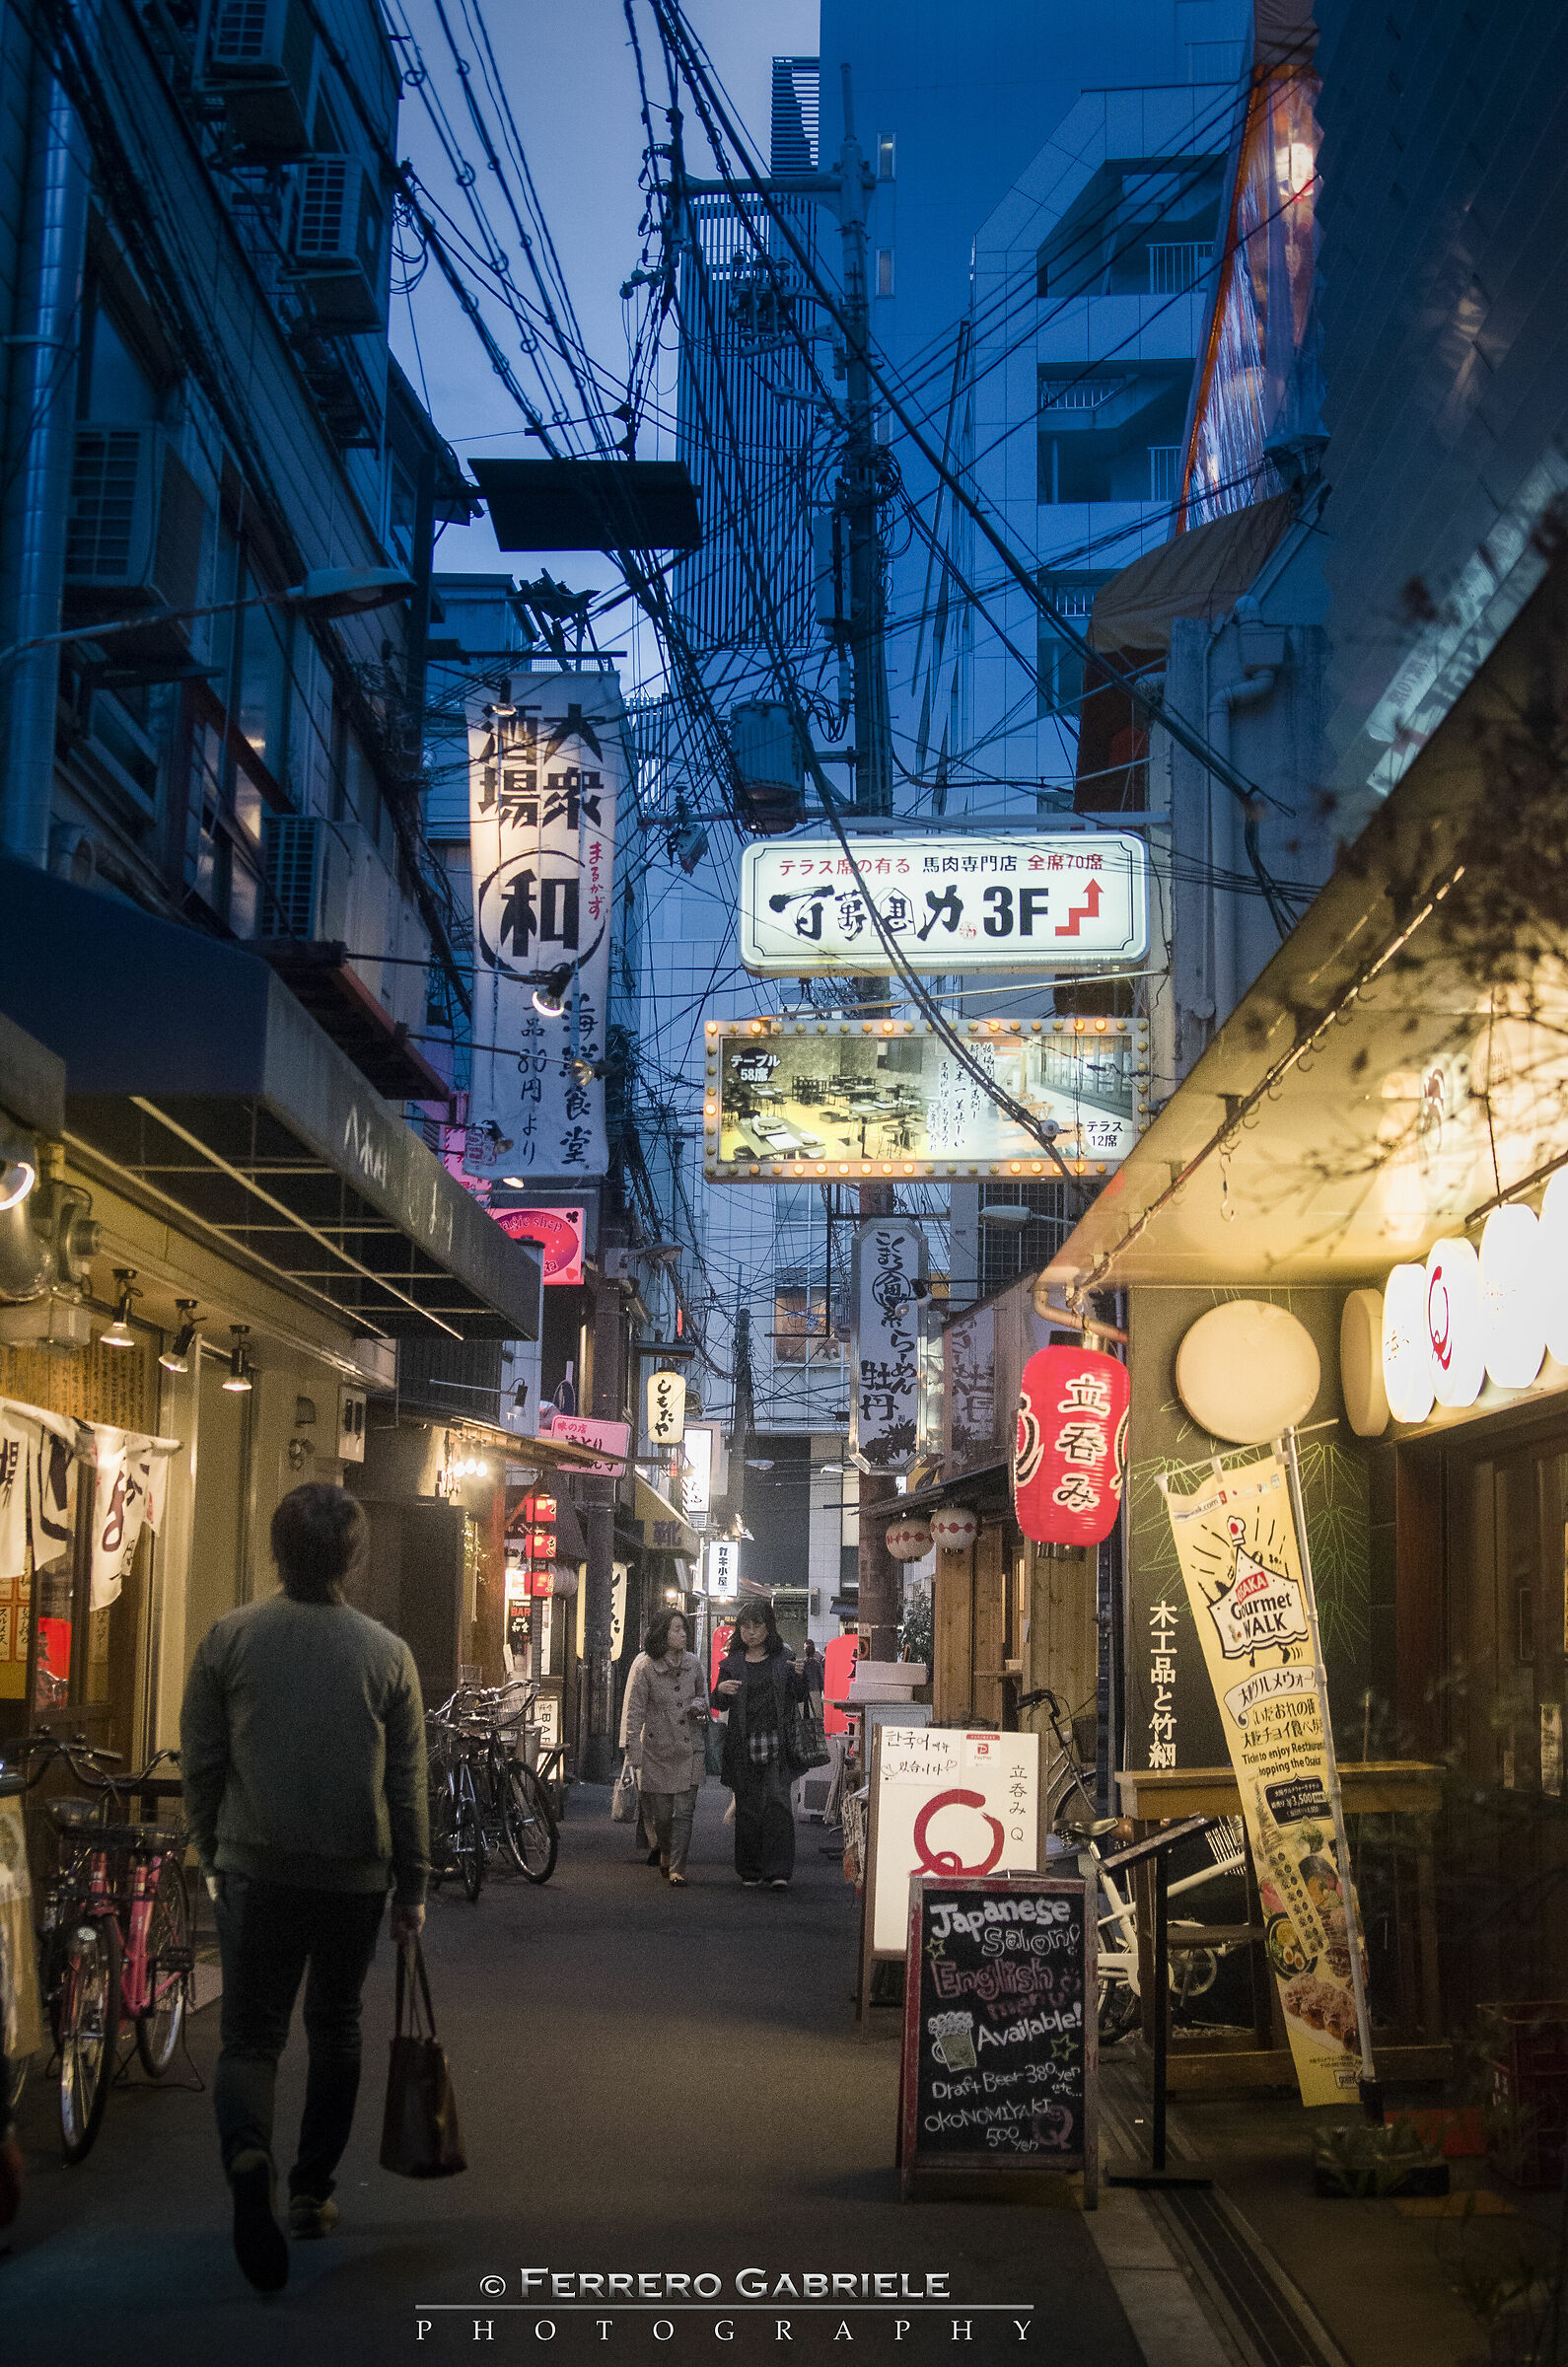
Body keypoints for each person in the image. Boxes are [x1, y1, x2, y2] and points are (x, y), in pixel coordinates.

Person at [181, 1483, 429, 2294]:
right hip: (354, 1875)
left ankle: (248, 2152)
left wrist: (210, 1848)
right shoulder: (387, 1654)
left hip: (255, 1866)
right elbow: (406, 1785)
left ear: (276, 1549)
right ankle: (311, 2193)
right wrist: (413, 1886)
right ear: (354, 1558)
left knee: (251, 2037)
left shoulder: (230, 1638)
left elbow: (205, 1761)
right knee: (335, 2023)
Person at [713, 1601, 808, 1890]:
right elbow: (718, 1702)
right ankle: (750, 1870)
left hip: (778, 1743)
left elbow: (799, 1697)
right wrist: (720, 1691)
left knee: (778, 1805)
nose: (751, 1633)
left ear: (769, 1628)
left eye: (757, 1626)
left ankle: (778, 1870)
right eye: (745, 1627)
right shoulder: (731, 1663)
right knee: (748, 1807)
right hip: (742, 1743)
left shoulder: (785, 1659)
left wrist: (801, 1676)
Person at [622, 1611, 708, 1885]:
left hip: (689, 1746)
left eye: (684, 1629)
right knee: (661, 1815)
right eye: (676, 1629)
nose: (683, 1634)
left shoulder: (694, 1664)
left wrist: (699, 1705)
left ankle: (677, 1868)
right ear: (662, 1633)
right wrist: (632, 1750)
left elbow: (703, 1696)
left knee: (684, 1812)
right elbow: (635, 1712)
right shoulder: (646, 1667)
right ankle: (666, 1853)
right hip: (657, 1749)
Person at [617, 1646, 660, 1865]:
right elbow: (631, 1705)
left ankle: (662, 1844)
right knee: (649, 1795)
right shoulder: (643, 1662)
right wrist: (629, 1743)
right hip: (646, 1739)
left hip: (671, 1742)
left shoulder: (686, 1662)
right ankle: (656, 1844)